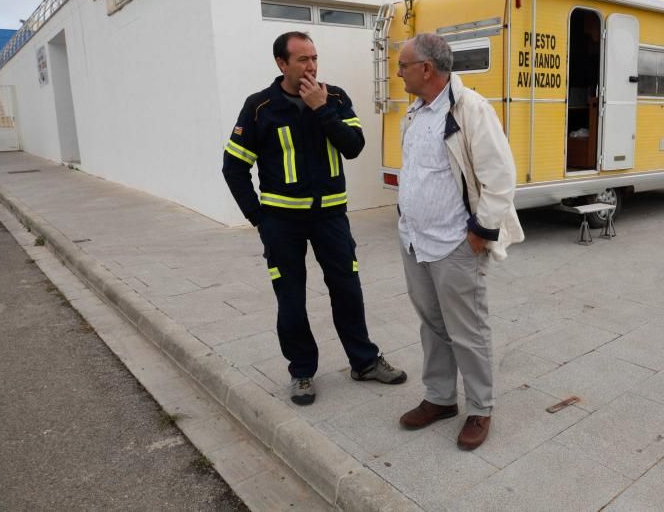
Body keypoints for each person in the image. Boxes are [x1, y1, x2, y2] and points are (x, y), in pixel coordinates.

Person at [222, 31, 406, 406]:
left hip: (331, 218)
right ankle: (302, 372)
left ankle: (365, 362)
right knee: (290, 299)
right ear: (281, 63)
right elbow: (233, 167)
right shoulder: (260, 106)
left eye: (315, 58)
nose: (312, 66)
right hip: (282, 223)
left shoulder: (335, 98)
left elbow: (354, 148)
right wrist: (259, 218)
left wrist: (322, 108)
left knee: (348, 291)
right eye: (303, 59)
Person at [395, 33, 524, 451]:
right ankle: (440, 398)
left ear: (426, 69)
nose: (398, 73)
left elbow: (500, 177)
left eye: (403, 66)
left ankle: (481, 407)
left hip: (454, 243)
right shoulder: (415, 113)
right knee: (432, 325)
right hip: (415, 241)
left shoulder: (470, 109)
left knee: (467, 329)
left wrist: (480, 232)